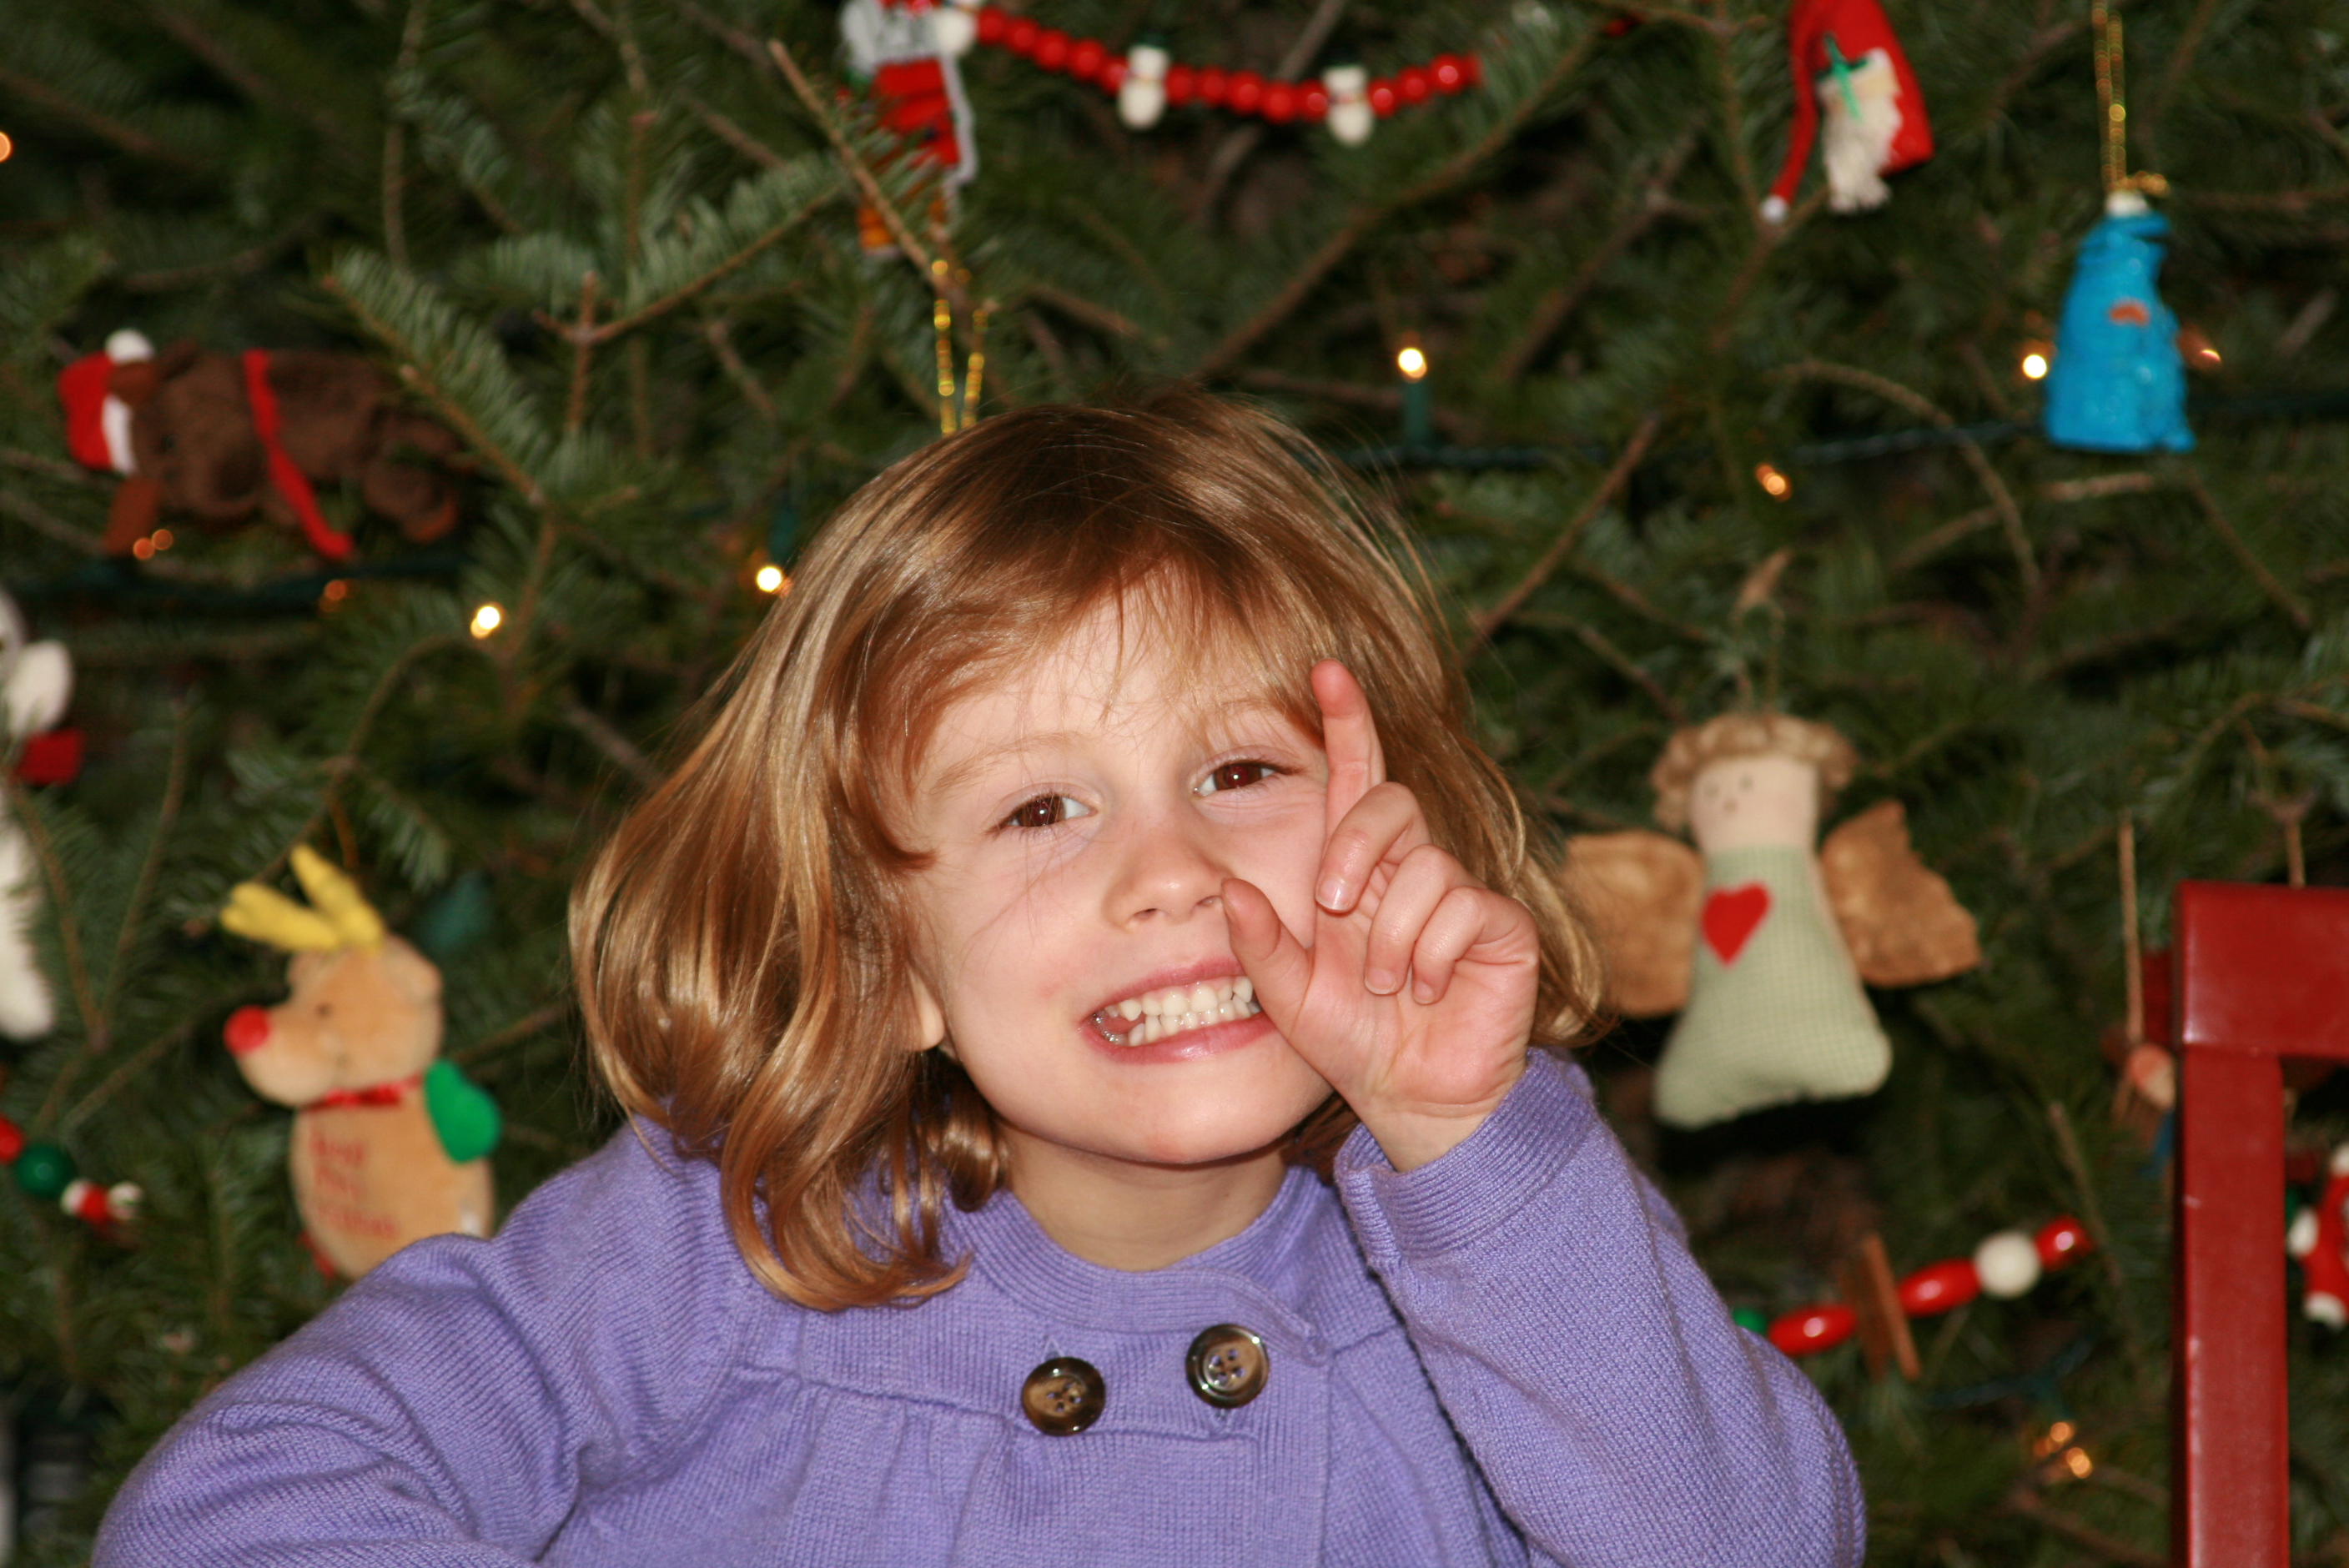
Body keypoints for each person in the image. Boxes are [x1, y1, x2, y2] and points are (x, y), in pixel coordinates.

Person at [97, 390, 1865, 1565]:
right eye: (1039, 808)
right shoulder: (725, 1244)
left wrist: (1472, 1138)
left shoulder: (1502, 1268)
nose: (1171, 871)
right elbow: (232, 1509)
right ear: (885, 959)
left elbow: (1763, 1546)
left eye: (1240, 771)